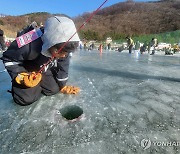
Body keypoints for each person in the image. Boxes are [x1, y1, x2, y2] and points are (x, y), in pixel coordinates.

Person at [1, 16, 80, 106]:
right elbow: (8, 58)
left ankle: (40, 85)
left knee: (53, 90)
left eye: (66, 52)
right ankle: (24, 88)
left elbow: (63, 66)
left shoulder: (65, 45)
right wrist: (21, 76)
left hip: (43, 66)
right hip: (26, 67)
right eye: (60, 52)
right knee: (25, 99)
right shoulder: (28, 43)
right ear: (50, 43)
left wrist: (62, 85)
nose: (63, 55)